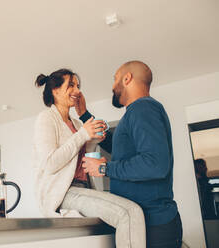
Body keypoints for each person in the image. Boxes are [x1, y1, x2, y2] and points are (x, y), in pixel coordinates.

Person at [33, 68, 146, 248]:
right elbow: (50, 164)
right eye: (71, 85)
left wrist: (93, 142)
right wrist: (83, 135)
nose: (77, 91)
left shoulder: (77, 123)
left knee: (128, 214)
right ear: (55, 90)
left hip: (84, 187)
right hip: (64, 192)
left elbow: (80, 160)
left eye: (78, 86)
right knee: (130, 212)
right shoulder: (46, 118)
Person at [77, 61, 182, 247]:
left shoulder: (143, 108)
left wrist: (104, 167)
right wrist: (84, 114)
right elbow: (113, 144)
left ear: (127, 78)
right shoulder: (137, 112)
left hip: (154, 226)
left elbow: (155, 164)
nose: (112, 86)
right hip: (145, 223)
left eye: (115, 78)